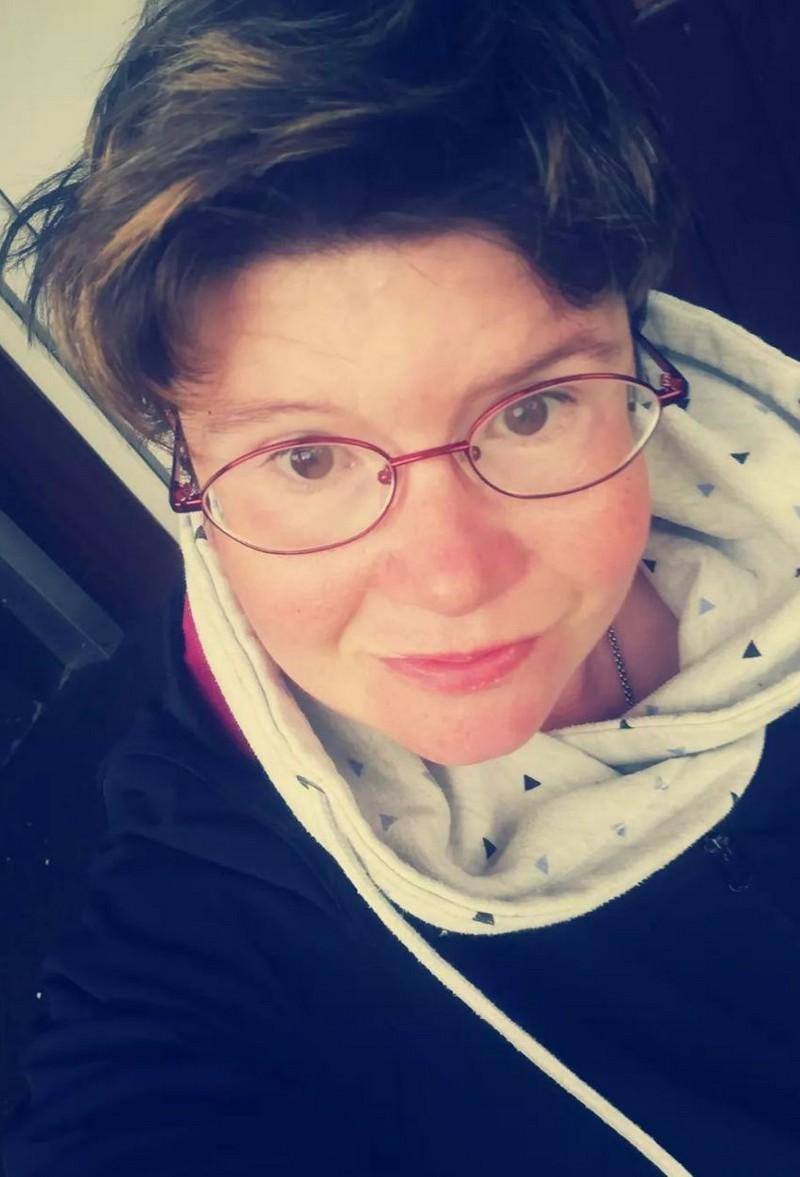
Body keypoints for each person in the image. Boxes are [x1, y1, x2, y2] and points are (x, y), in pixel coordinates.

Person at [2, 1, 800, 1173]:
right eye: (306, 458)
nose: (451, 579)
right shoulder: (206, 920)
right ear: (185, 471)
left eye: (530, 410)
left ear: (638, 359)